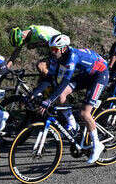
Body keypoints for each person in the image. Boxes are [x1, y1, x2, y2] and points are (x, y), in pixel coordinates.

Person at [45, 35, 107, 164]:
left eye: (55, 49)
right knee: (61, 95)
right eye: (51, 49)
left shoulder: (71, 57)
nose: (52, 51)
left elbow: (65, 81)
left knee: (84, 113)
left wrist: (49, 100)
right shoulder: (58, 57)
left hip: (100, 75)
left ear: (63, 49)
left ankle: (97, 145)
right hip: (87, 74)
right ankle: (72, 123)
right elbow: (54, 79)